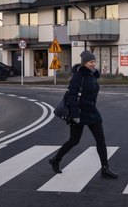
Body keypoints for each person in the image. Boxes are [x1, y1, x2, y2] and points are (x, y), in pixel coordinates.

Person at [49, 50, 119, 179]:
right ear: (84, 63)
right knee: (74, 141)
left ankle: (105, 168)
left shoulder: (93, 75)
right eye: (91, 62)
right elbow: (72, 97)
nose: (93, 64)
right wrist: (75, 115)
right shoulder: (78, 76)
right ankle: (56, 160)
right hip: (79, 114)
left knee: (101, 140)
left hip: (92, 112)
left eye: (94, 62)